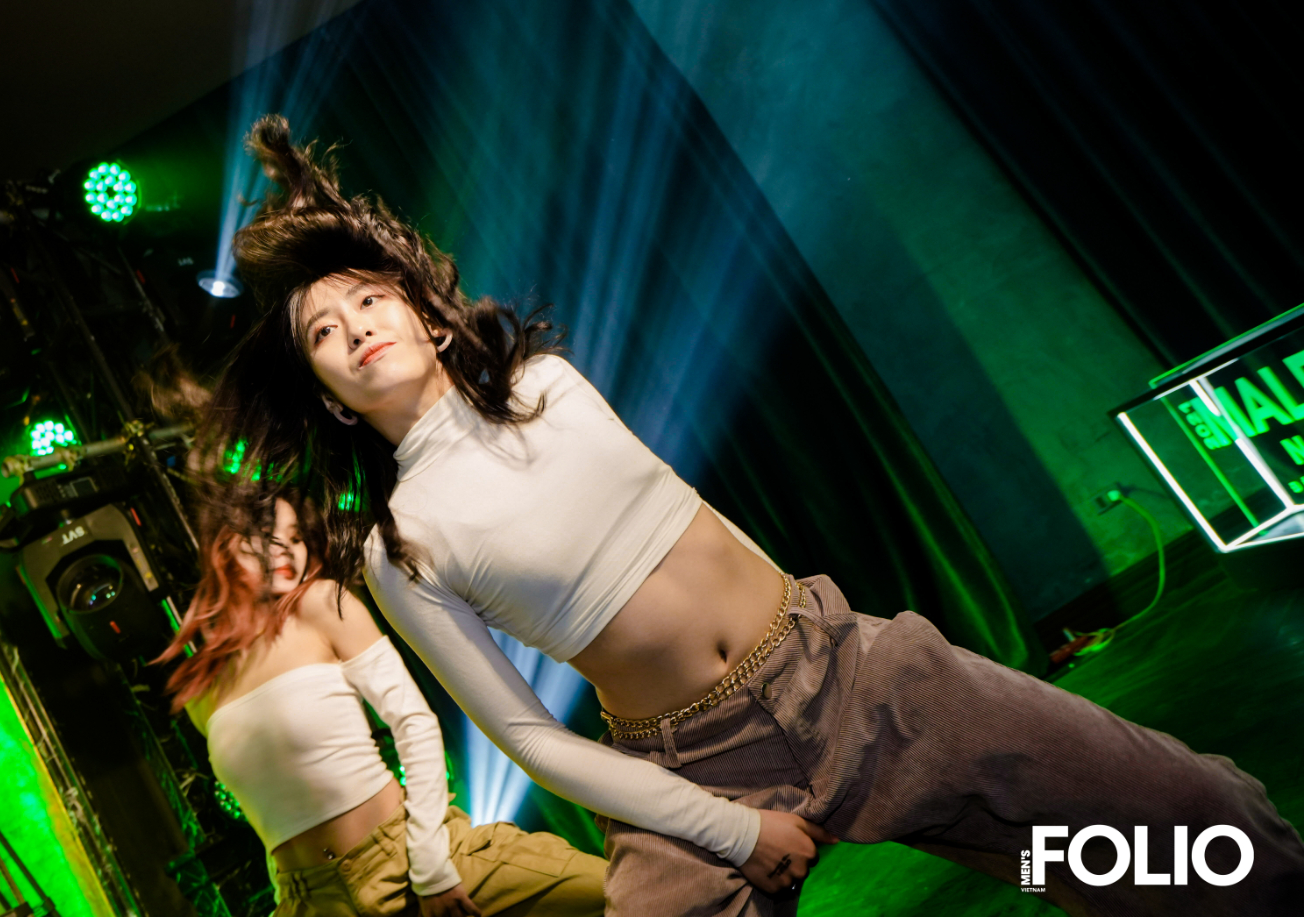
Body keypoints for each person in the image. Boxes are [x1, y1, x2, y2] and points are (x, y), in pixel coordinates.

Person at [201, 114, 1304, 916]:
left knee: (1191, 830)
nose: (355, 327)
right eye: (323, 333)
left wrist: (815, 643)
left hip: (843, 671)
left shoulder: (548, 385)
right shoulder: (401, 548)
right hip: (688, 767)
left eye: (368, 298)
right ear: (326, 394)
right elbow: (532, 738)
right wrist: (732, 831)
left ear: (424, 313)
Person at [158, 480, 607, 917]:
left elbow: (415, 722)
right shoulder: (201, 689)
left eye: (296, 538)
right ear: (227, 546)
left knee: (622, 896)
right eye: (269, 536)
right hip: (311, 899)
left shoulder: (320, 604)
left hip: (408, 857)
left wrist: (431, 866)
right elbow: (270, 811)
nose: (288, 551)